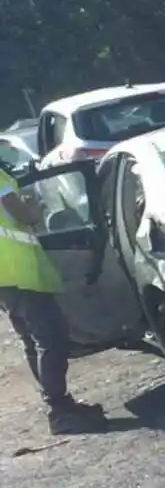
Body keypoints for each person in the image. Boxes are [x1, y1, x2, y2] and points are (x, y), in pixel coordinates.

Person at [0, 160, 106, 434]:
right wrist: (35, 207)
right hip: (21, 272)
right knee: (52, 337)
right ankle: (59, 409)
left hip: (6, 277)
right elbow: (26, 216)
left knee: (33, 340)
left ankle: (60, 406)